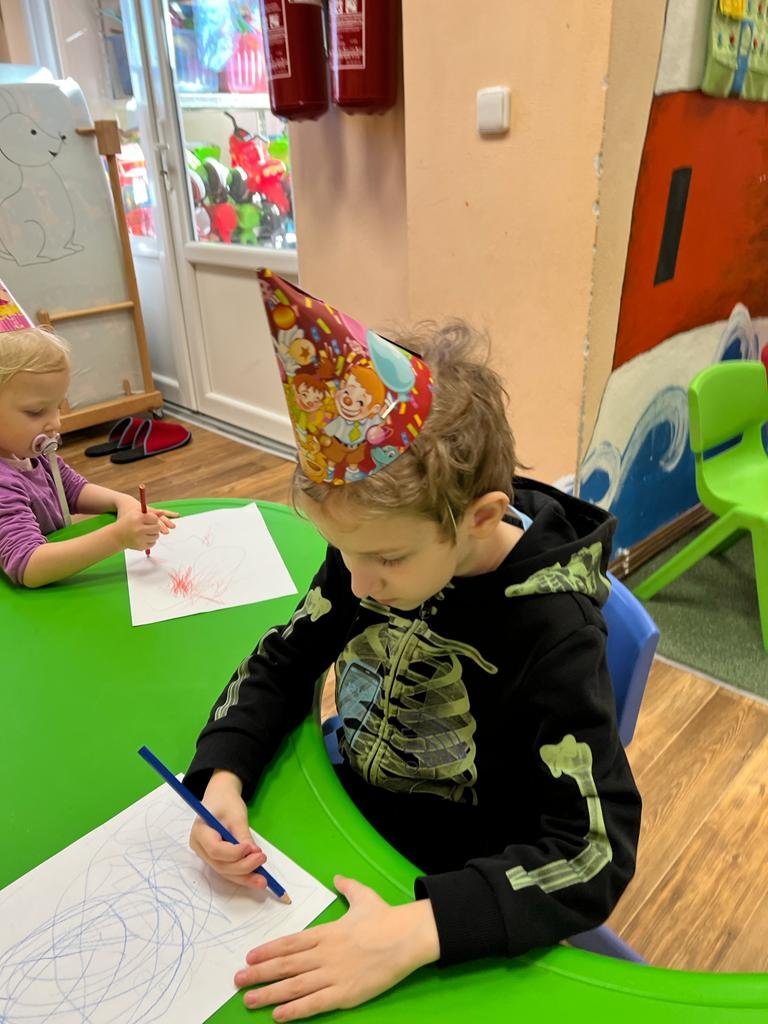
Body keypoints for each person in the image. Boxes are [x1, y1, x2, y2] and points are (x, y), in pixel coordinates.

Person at [184, 271, 641, 1021]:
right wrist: (222, 777)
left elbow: (595, 845)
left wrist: (420, 931)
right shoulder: (372, 552)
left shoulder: (555, 631)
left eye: (386, 561)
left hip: (447, 890)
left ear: (480, 517)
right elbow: (286, 656)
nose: (359, 584)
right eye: (344, 553)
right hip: (345, 827)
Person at [0, 284, 177, 587]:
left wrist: (123, 503)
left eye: (58, 407)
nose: (54, 423)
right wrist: (118, 537)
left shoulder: (33, 455)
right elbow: (28, 566)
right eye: (36, 412)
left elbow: (72, 489)